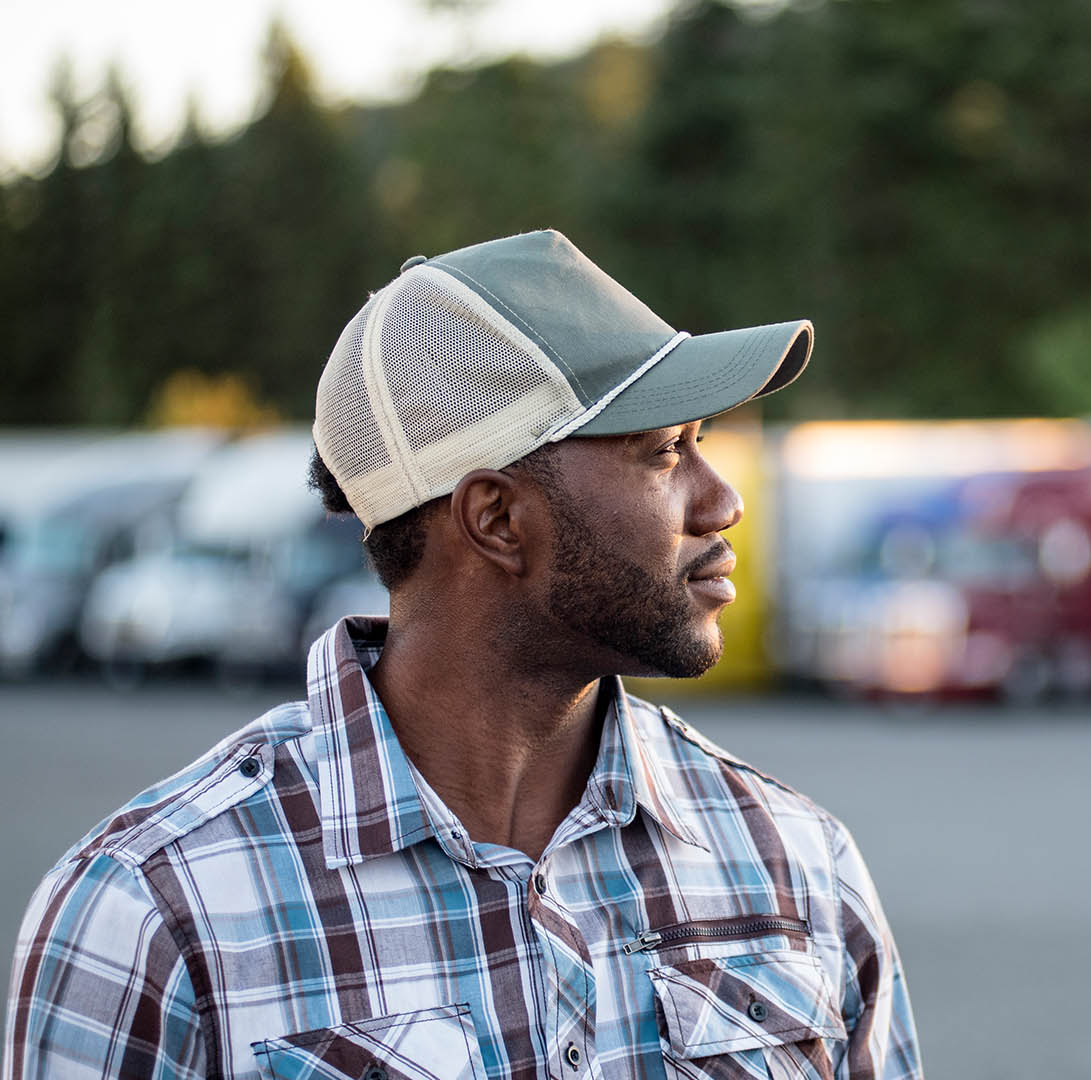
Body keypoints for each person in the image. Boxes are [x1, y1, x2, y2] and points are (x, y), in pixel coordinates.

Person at [5, 231, 922, 1080]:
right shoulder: (151, 912)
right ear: (495, 520)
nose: (722, 502)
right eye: (663, 452)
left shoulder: (793, 856)